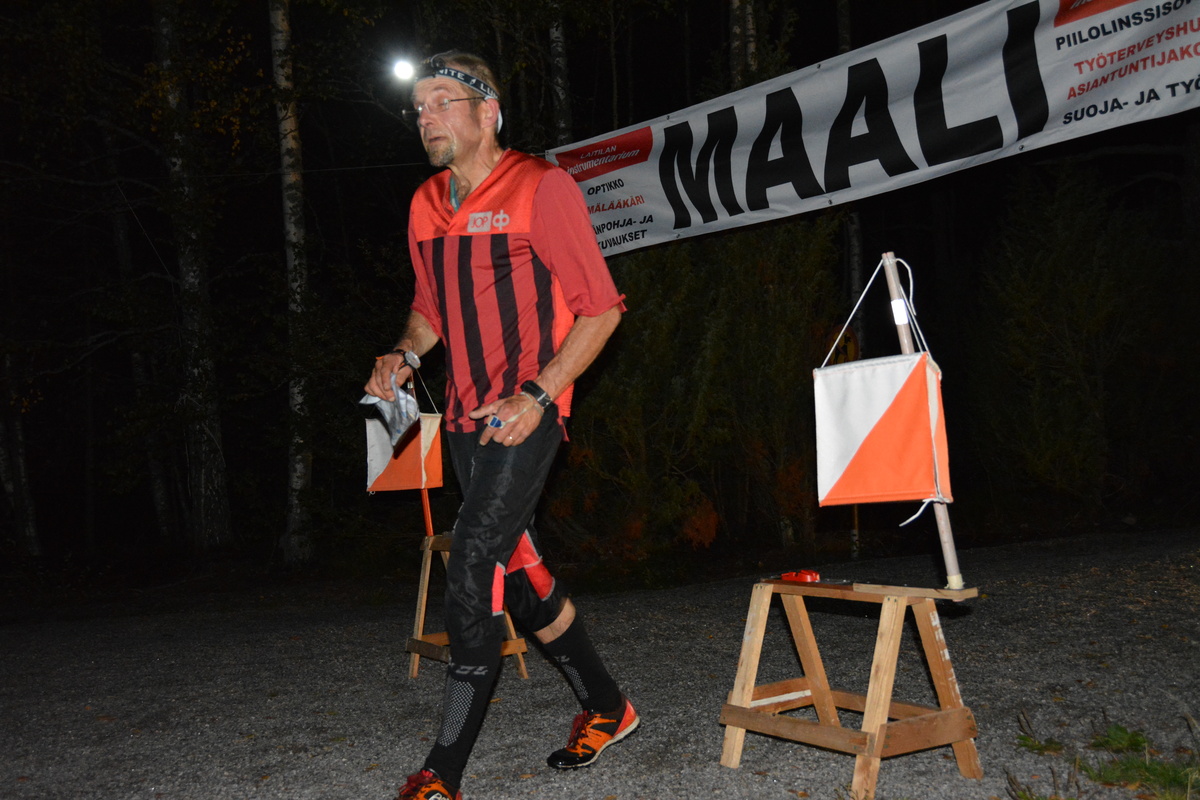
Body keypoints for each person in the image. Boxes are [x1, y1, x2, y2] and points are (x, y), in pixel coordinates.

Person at [363, 51, 637, 800]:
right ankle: (608, 706)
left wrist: (538, 395)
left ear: (488, 112)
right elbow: (430, 308)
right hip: (462, 416)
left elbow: (602, 309)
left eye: (441, 102)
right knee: (520, 572)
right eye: (418, 108)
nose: (425, 118)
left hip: (525, 414)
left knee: (474, 560)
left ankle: (441, 773)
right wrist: (403, 352)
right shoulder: (425, 202)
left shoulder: (541, 187)